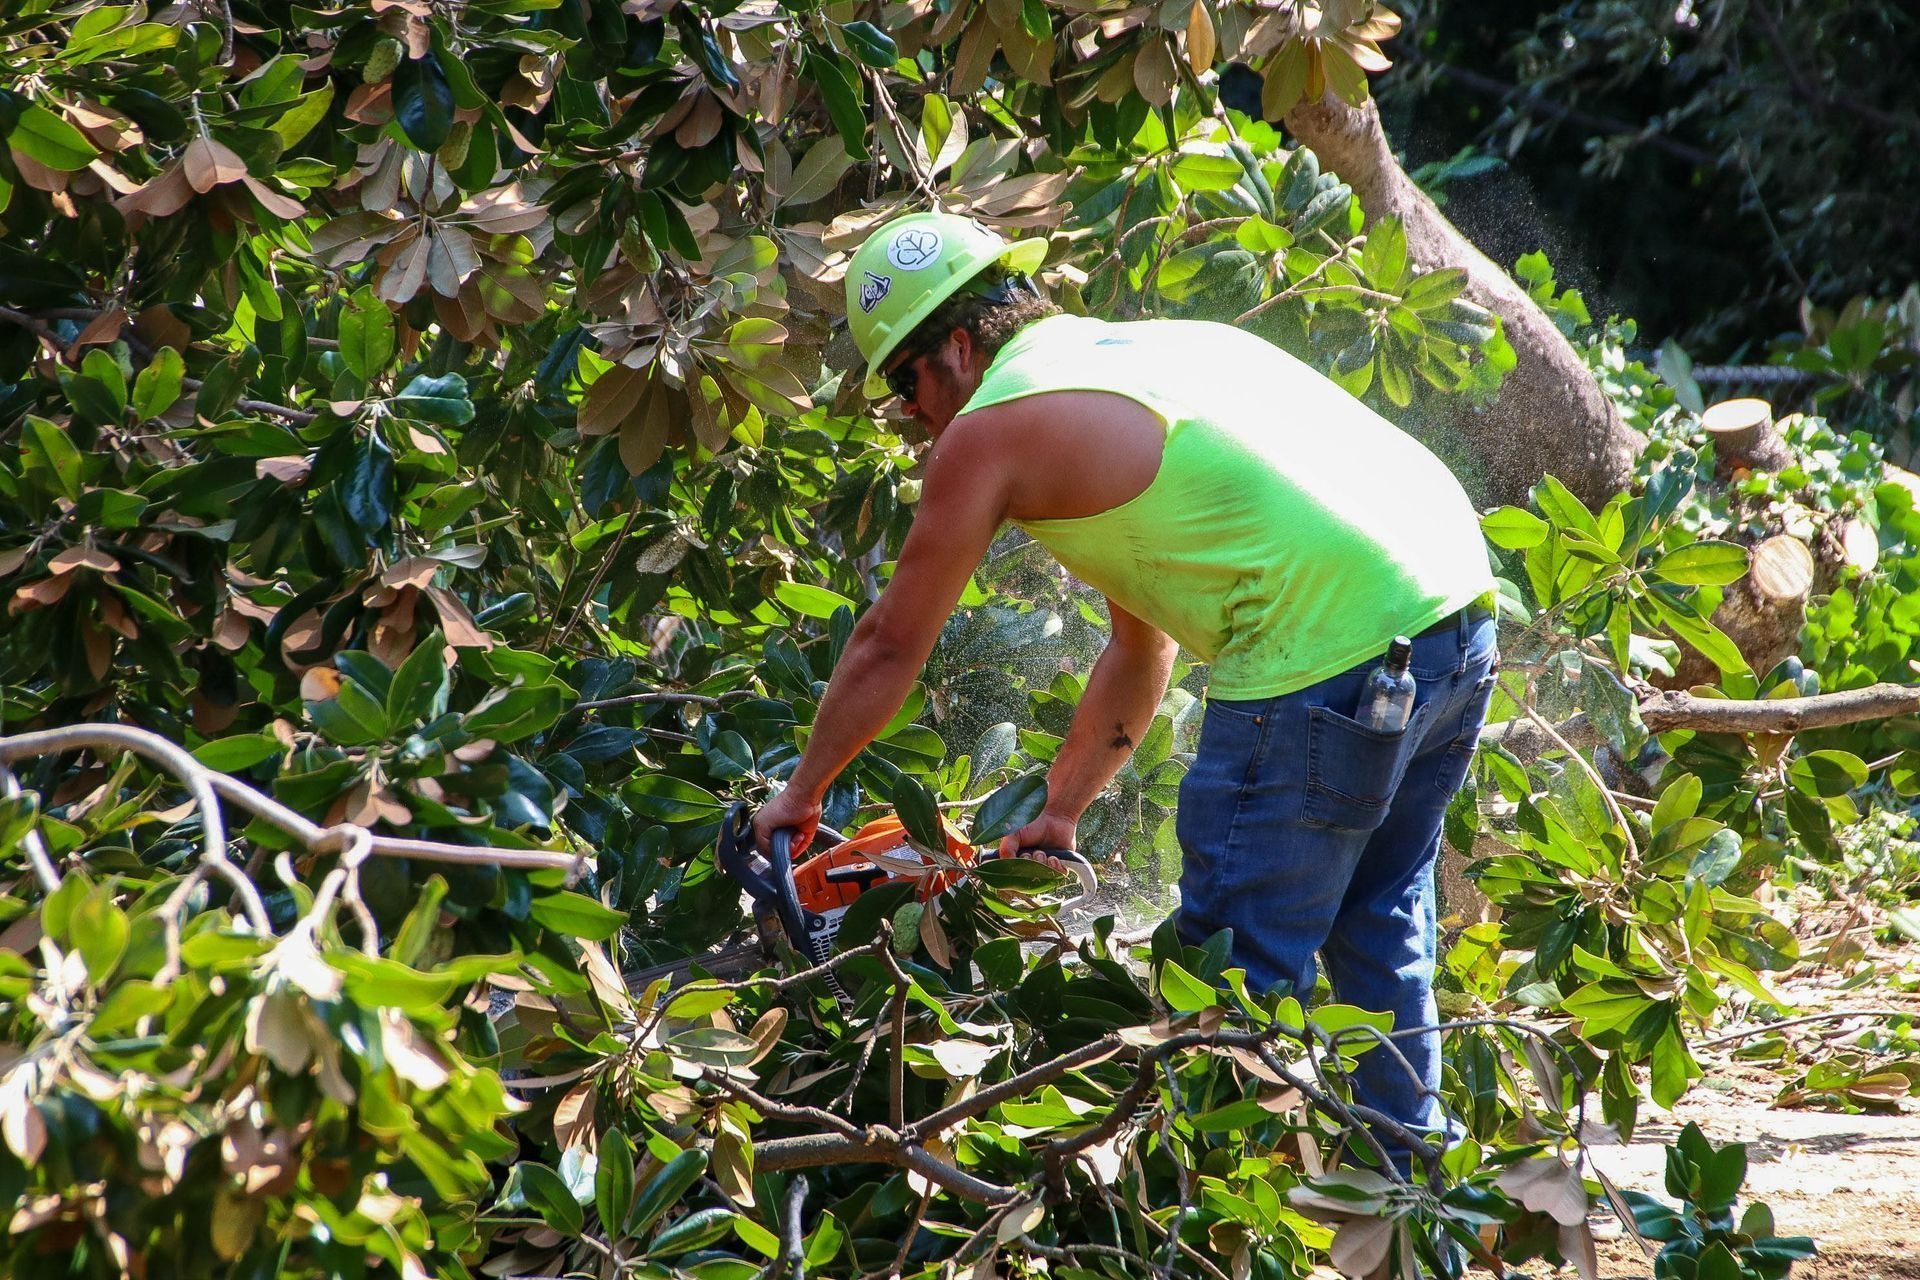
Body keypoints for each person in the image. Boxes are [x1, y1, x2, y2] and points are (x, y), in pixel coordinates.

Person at [752, 210, 1497, 1163]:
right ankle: (1415, 1203)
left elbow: (888, 645)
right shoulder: (1137, 357)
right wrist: (1060, 810)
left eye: (905, 386)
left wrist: (801, 793)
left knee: (1226, 981)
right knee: (1377, 916)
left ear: (958, 345)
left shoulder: (989, 432)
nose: (912, 417)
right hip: (1456, 611)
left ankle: (1208, 1227)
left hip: (1324, 647)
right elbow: (1142, 651)